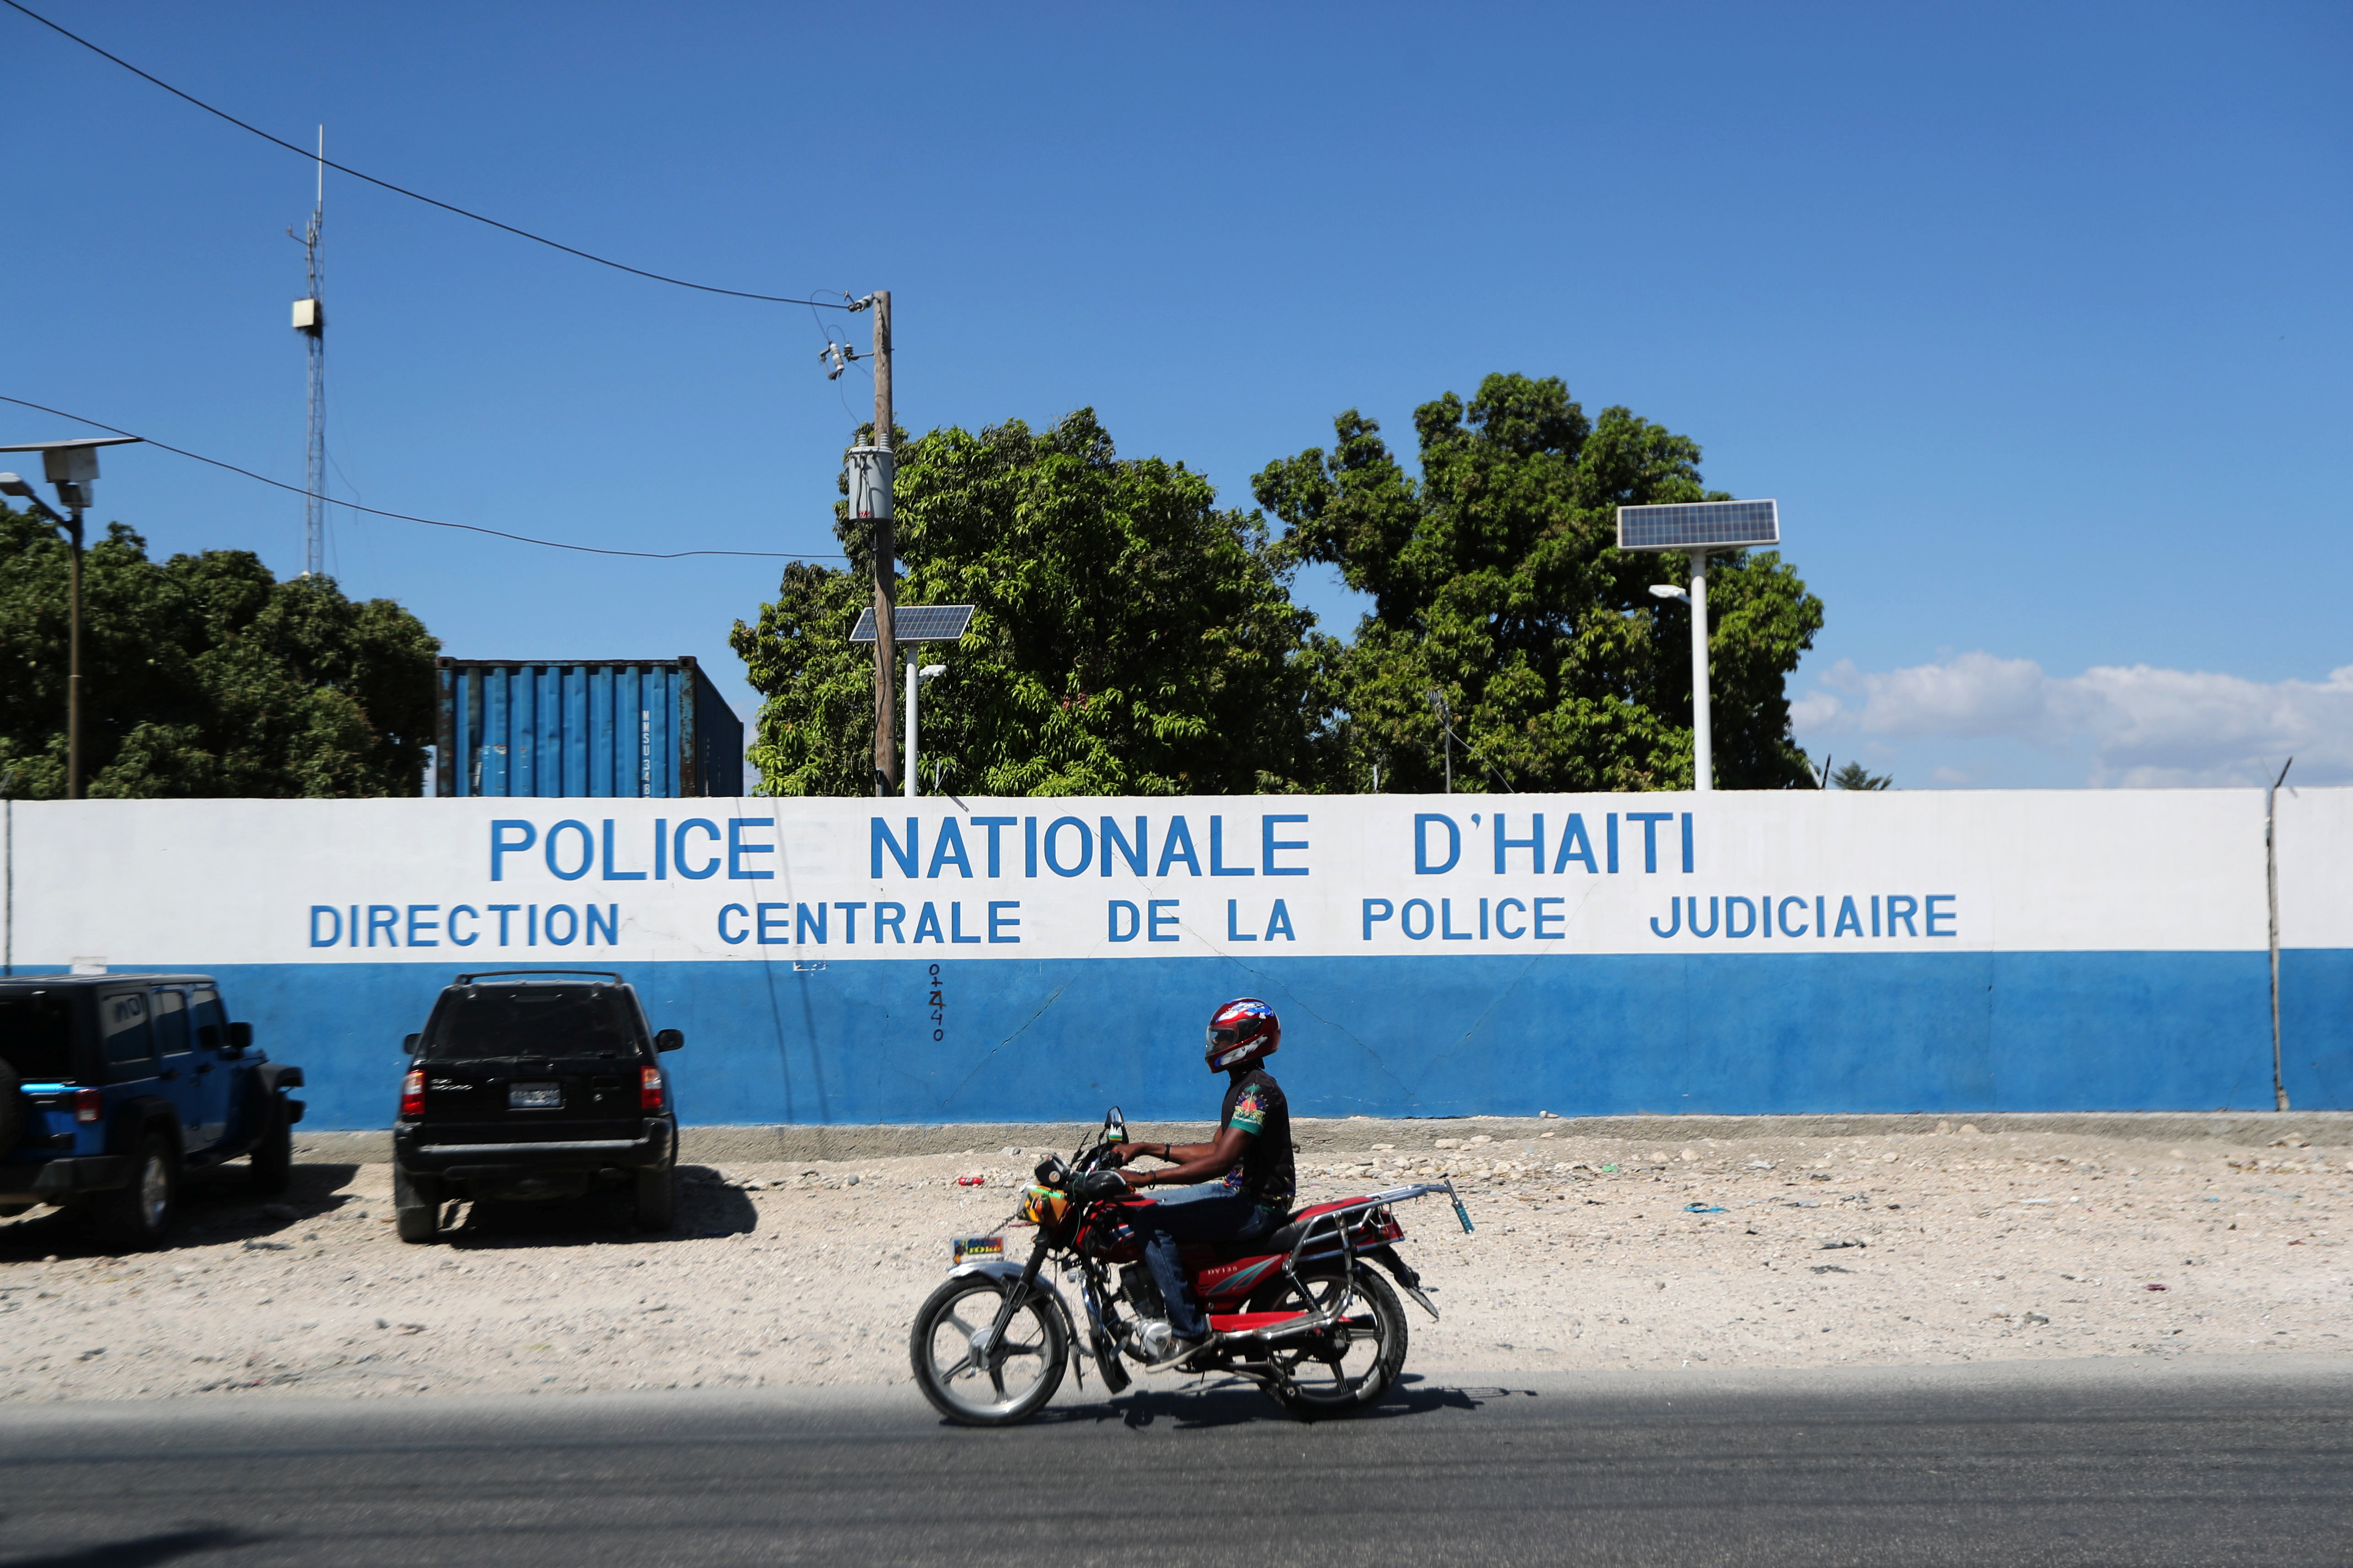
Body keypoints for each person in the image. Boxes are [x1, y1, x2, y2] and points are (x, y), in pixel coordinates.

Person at [1108, 997, 1295, 1371]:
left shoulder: (1258, 1092)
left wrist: (1146, 1179)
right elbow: (1213, 1148)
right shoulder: (1244, 1086)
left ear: (1250, 1040)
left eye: (1224, 1038)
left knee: (1149, 1219)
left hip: (1255, 1205)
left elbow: (1220, 1162)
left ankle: (1190, 1331)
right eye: (1216, 1038)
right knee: (1147, 1208)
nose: (1215, 1046)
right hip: (1237, 1194)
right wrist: (1146, 1148)